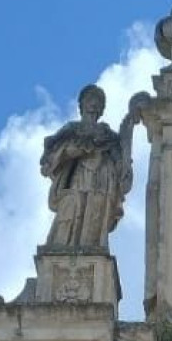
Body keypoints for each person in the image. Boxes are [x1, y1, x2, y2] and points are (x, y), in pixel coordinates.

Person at [39, 85, 134, 250]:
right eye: (90, 100)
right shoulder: (72, 129)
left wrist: (124, 168)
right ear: (81, 104)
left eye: (98, 102)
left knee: (95, 214)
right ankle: (63, 250)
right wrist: (78, 148)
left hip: (101, 179)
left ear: (102, 109)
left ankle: (91, 250)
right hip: (77, 178)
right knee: (70, 211)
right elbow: (53, 152)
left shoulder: (108, 135)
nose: (94, 104)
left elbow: (120, 160)